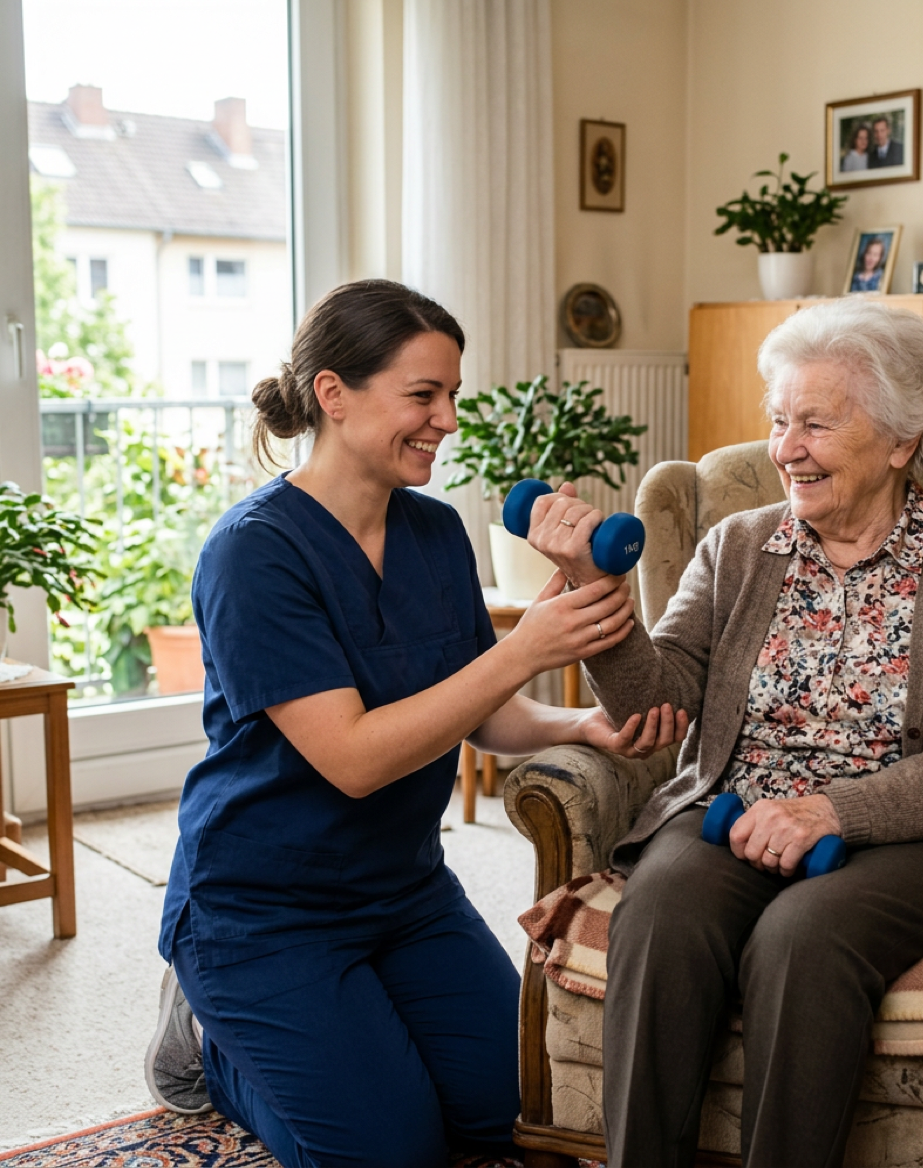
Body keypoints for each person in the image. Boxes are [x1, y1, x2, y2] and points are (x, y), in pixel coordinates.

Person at [143, 279, 685, 1168]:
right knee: (393, 1152)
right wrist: (523, 649)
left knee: (516, 1109)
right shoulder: (254, 553)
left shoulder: (435, 533)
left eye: (453, 395)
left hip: (404, 892)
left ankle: (342, 1034)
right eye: (424, 395)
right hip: (265, 908)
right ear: (333, 393)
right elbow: (353, 760)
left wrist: (579, 725)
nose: (447, 420)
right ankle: (213, 1048)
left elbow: (480, 707)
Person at [526, 298, 923, 1168]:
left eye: (816, 424)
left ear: (901, 441)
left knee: (804, 938)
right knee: (663, 910)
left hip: (912, 835)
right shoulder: (736, 545)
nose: (785, 449)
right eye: (778, 421)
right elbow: (658, 701)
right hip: (736, 807)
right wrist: (589, 586)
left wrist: (834, 811)